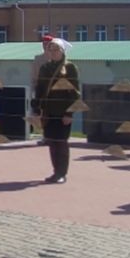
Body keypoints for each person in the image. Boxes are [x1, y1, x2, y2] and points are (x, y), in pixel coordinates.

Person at [33, 38, 80, 184]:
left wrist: (69, 113)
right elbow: (39, 88)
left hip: (62, 110)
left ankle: (62, 173)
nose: (53, 53)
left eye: (56, 49)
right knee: (52, 142)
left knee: (61, 142)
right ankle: (55, 172)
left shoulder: (69, 68)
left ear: (62, 51)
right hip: (48, 110)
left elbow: (74, 92)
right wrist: (36, 108)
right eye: (50, 49)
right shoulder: (45, 68)